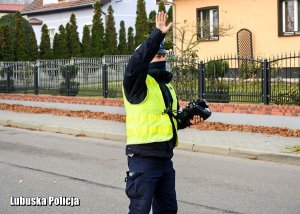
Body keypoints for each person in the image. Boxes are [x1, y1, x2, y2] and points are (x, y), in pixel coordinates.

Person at [122, 12, 202, 214]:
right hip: (143, 159)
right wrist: (157, 34)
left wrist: (188, 120)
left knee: (168, 209)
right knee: (139, 210)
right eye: (157, 56)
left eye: (164, 55)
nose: (162, 59)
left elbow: (169, 120)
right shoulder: (136, 83)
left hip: (165, 158)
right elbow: (138, 61)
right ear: (147, 59)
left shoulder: (166, 86)